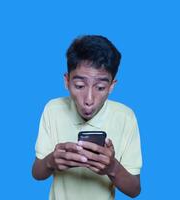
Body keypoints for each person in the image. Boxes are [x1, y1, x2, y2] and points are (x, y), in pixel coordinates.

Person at [32, 35, 142, 200]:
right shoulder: (53, 109)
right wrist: (50, 162)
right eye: (80, 86)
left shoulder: (126, 117)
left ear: (112, 86)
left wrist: (112, 168)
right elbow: (37, 173)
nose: (89, 99)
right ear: (67, 81)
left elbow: (134, 190)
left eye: (100, 87)